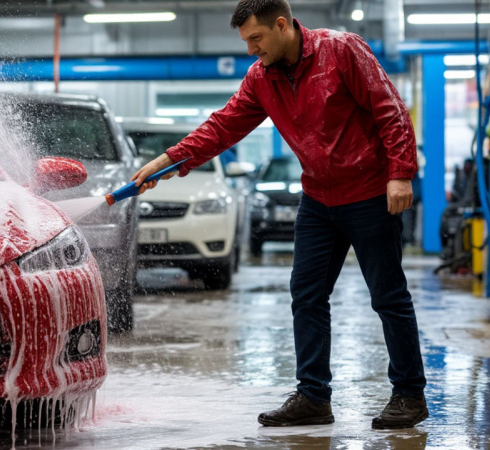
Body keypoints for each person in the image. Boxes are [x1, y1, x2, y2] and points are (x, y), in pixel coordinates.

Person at [131, 0, 427, 430]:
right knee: (306, 295)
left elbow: (390, 109)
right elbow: (222, 127)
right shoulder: (261, 78)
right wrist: (168, 161)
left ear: (283, 25)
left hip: (367, 193)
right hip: (318, 198)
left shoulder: (342, 50)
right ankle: (313, 396)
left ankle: (409, 395)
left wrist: (400, 173)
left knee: (387, 296)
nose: (251, 49)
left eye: (256, 38)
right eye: (246, 41)